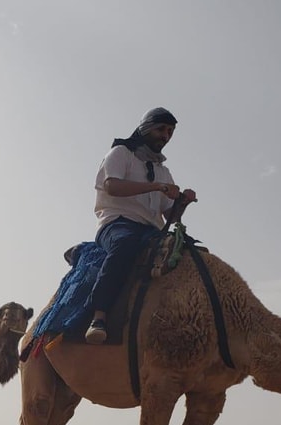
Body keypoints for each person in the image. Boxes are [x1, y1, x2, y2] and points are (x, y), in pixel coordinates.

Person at [84, 107, 198, 344]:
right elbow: (112, 186)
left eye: (170, 132)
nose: (165, 136)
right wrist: (156, 187)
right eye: (161, 129)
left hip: (151, 230)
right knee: (125, 244)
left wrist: (183, 203)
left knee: (189, 253)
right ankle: (99, 316)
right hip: (116, 224)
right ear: (146, 127)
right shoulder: (121, 153)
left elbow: (171, 217)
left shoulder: (163, 170)